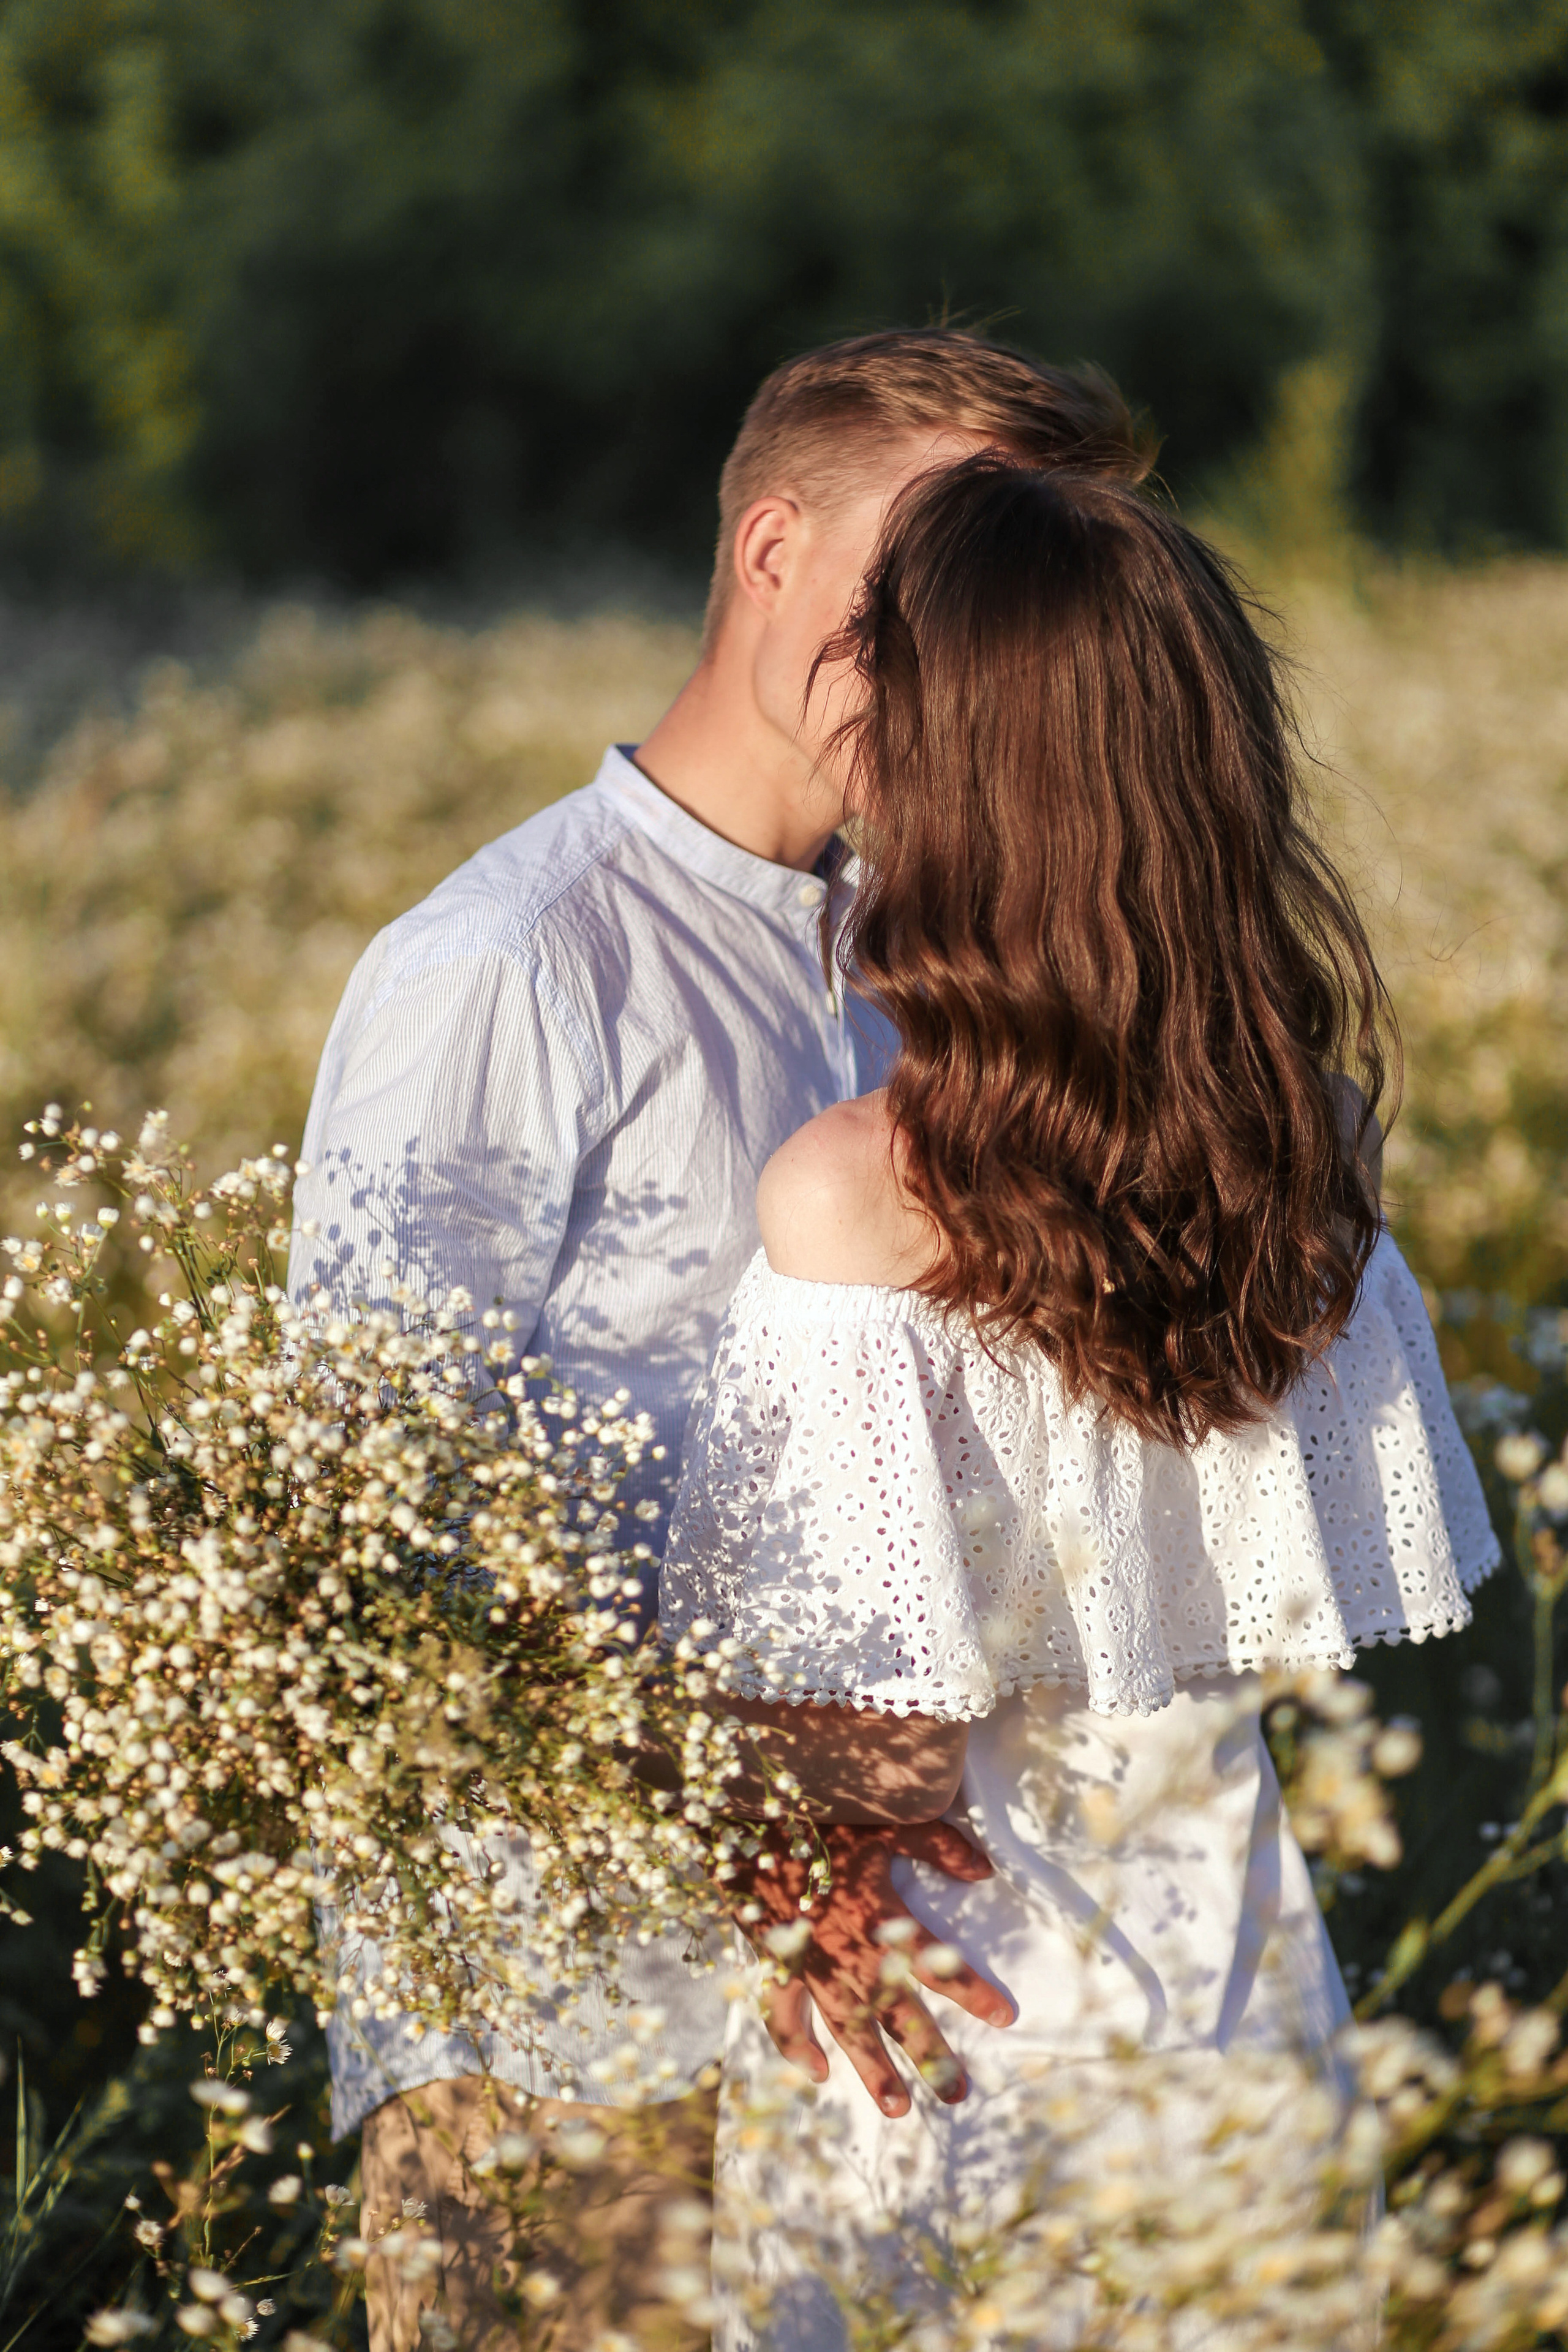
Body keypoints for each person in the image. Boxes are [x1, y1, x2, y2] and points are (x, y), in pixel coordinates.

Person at [287, 330, 1153, 2351]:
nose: (966, 656)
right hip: (552, 2023)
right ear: (775, 547)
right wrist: (756, 1829)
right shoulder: (502, 963)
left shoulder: (911, 965)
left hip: (862, 2013)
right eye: (932, 585)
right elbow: (364, 1556)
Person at [658, 456, 1501, 2348]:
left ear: (955, 784)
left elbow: (856, 1762)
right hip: (1243, 1994)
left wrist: (737, 1828)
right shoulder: (1309, 1143)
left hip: (959, 2027)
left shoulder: (854, 1200)